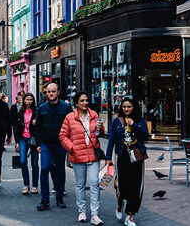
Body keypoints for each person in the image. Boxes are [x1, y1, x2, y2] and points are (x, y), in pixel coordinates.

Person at [60, 92, 104, 225]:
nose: (85, 103)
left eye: (86, 100)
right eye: (82, 101)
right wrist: (72, 147)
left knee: (94, 184)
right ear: (76, 103)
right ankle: (82, 211)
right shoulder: (69, 118)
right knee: (80, 185)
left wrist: (100, 130)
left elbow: (98, 134)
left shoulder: (94, 115)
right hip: (78, 155)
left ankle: (95, 214)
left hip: (92, 155)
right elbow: (62, 136)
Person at [105, 98, 148, 226]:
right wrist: (108, 157)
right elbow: (112, 139)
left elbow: (145, 135)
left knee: (135, 186)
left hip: (136, 157)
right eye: (124, 107)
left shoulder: (140, 121)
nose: (126, 109)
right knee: (122, 184)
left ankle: (129, 216)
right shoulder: (117, 122)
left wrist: (134, 125)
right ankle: (120, 204)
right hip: (122, 156)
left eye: (129, 106)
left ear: (134, 107)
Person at [35, 82, 73, 211]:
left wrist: (69, 143)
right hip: (46, 143)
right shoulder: (42, 108)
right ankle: (44, 200)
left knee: (60, 170)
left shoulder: (66, 107)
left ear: (58, 92)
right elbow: (38, 127)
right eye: (48, 92)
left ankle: (59, 198)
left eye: (53, 91)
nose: (50, 94)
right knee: (44, 169)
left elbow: (71, 126)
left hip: (61, 144)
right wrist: (38, 144)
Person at [13, 92, 39, 195]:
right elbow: (16, 128)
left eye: (31, 100)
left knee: (35, 163)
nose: (29, 101)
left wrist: (36, 122)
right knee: (23, 161)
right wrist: (17, 142)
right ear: (24, 100)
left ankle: (35, 185)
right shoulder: (20, 112)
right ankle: (26, 184)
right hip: (23, 139)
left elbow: (40, 126)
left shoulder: (37, 112)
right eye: (27, 99)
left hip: (33, 139)